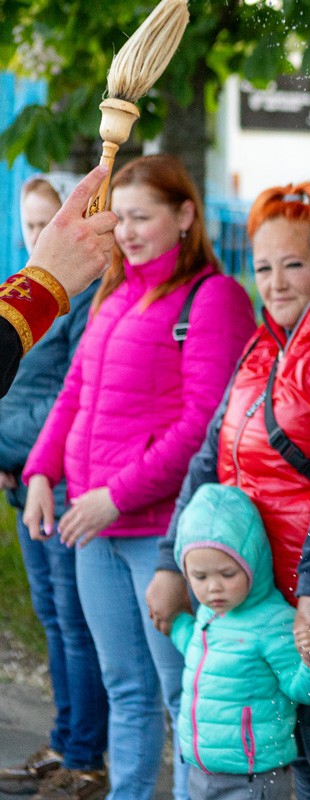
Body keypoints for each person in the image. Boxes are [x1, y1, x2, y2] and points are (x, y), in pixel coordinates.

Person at [22, 154, 257, 800]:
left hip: (161, 537)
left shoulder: (214, 299)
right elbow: (76, 392)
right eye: (118, 217)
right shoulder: (112, 293)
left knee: (184, 696)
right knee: (124, 687)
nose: (124, 232)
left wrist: (113, 497)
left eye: (140, 216)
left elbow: (202, 429)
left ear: (185, 216)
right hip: (94, 528)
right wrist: (42, 469)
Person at [145, 181, 310, 800]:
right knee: (255, 760)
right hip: (249, 595)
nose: (276, 282)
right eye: (263, 267)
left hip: (309, 603)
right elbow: (207, 461)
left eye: (294, 263)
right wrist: (170, 562)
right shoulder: (259, 346)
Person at [0, 174, 108, 800]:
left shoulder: (82, 296)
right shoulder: (26, 285)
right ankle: (66, 740)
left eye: (51, 224)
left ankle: (84, 753)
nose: (39, 236)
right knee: (53, 618)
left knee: (74, 622)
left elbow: (68, 397)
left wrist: (11, 450)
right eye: (32, 224)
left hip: (60, 480)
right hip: (26, 477)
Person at [168, 482, 310, 800]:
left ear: (252, 560)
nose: (214, 588)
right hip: (200, 771)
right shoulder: (208, 617)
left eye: (227, 574)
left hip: (252, 779)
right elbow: (201, 655)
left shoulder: (272, 621)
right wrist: (175, 624)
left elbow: (302, 691)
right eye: (200, 577)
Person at [0, 165, 117, 396]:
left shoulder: (92, 298)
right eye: (30, 225)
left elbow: (73, 391)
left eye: (45, 226)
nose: (36, 236)